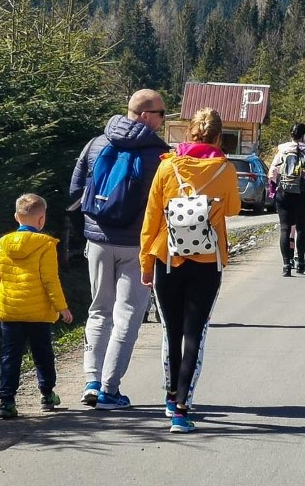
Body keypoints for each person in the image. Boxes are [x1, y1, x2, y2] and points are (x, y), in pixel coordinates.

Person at [140, 107, 240, 433]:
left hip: (167, 258)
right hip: (207, 261)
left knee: (171, 331)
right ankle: (183, 408)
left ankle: (169, 397)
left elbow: (151, 218)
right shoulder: (223, 169)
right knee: (195, 332)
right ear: (217, 136)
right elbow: (235, 208)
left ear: (190, 132)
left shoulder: (167, 167)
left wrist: (145, 264)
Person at [69, 89, 170, 409]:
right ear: (144, 115)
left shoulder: (96, 143)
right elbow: (166, 204)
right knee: (128, 315)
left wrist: (90, 226)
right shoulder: (158, 154)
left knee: (99, 309)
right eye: (161, 114)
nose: (164, 120)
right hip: (136, 245)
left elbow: (74, 190)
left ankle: (91, 380)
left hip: (97, 240)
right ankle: (110, 390)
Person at [0, 193, 73, 419]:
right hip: (39, 313)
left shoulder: (1, 245)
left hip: (10, 311)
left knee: (10, 355)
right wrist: (62, 307)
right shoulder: (45, 245)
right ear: (42, 220)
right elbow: (50, 280)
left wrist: (1, 298)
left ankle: (6, 402)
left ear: (16, 217)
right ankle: (47, 394)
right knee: (42, 353)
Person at [268, 123, 305, 276]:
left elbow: (272, 173)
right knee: (301, 229)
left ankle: (286, 265)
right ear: (303, 135)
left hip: (284, 193)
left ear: (290, 134)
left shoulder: (282, 151)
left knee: (285, 229)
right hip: (302, 194)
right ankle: (300, 261)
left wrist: (273, 191)